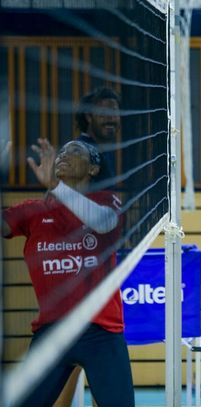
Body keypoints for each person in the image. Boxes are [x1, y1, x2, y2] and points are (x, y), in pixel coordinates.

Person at [2, 138, 134, 407]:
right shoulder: (34, 211)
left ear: (93, 169)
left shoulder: (106, 202)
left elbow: (104, 223)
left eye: (74, 151)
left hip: (100, 331)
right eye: (61, 152)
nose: (63, 155)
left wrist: (56, 187)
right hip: (53, 332)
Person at [75, 86, 121, 184]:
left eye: (114, 112)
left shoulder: (105, 149)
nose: (111, 118)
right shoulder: (79, 151)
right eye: (103, 112)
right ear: (89, 117)